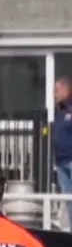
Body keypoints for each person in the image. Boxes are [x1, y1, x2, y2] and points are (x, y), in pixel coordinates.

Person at [52, 78, 72, 229]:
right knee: (68, 199)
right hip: (61, 162)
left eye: (57, 91)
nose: (55, 94)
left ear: (66, 90)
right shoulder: (58, 111)